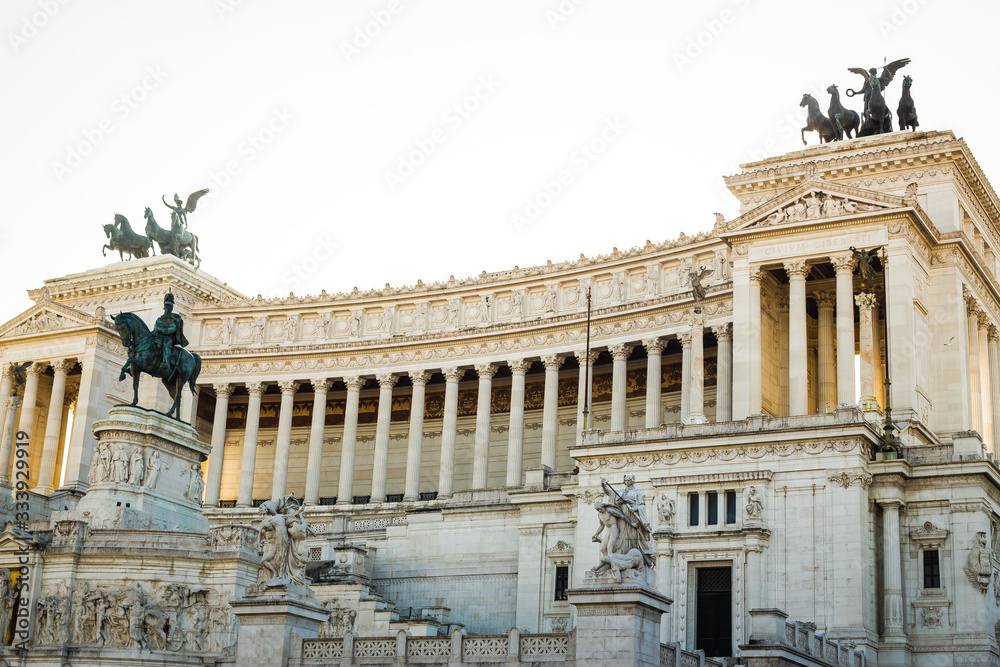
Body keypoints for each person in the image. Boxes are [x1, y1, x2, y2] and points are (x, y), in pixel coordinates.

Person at [149, 291, 189, 378]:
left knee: (166, 344)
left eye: (169, 307)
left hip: (168, 337)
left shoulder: (174, 318)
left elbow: (173, 328)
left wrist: (162, 330)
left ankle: (166, 362)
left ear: (171, 308)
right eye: (166, 307)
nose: (167, 309)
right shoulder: (159, 319)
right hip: (158, 336)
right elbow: (155, 329)